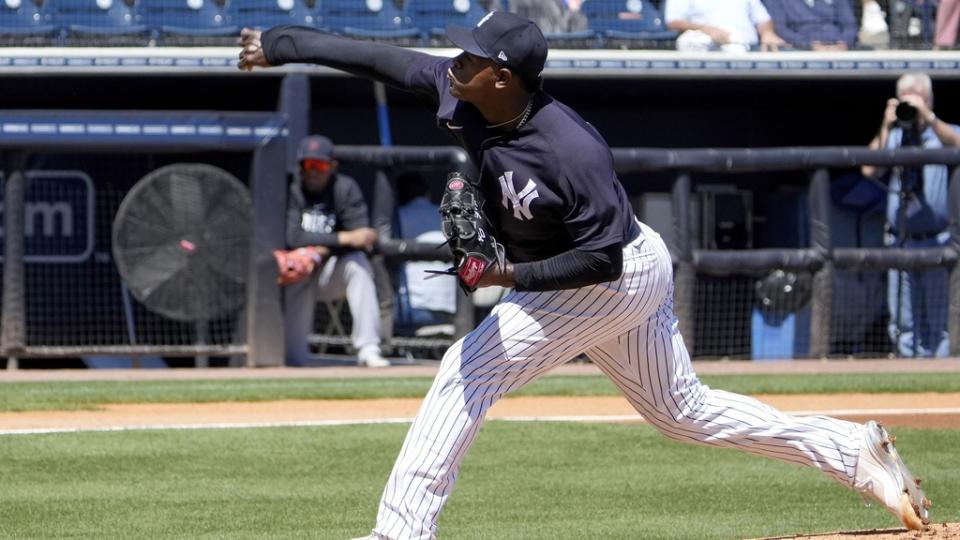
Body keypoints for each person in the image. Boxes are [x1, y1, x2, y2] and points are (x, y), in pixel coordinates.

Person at [239, 12, 930, 538]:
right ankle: (852, 450)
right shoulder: (461, 88)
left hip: (610, 276)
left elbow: (600, 259)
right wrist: (281, 43)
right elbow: (377, 58)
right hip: (609, 271)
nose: (455, 62)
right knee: (682, 413)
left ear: (503, 77)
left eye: (472, 58)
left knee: (466, 370)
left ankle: (400, 531)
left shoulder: (571, 149)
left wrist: (506, 273)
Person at [861, 72, 959, 358]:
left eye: (919, 98)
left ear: (929, 100)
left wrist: (927, 116)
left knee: (940, 321)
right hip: (900, 240)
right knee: (903, 321)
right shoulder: (895, 136)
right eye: (908, 99)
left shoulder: (943, 133)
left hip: (938, 240)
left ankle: (939, 377)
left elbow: (957, 144)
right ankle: (907, 366)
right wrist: (886, 123)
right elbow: (868, 169)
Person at [278, 135, 391, 368]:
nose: (313, 172)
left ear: (332, 166)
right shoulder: (293, 189)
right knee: (298, 266)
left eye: (319, 165)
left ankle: (368, 349)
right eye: (307, 165)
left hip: (331, 271)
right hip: (295, 271)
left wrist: (322, 248)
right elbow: (293, 237)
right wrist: (342, 238)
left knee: (357, 263)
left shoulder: (344, 188)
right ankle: (294, 359)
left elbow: (361, 238)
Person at [392, 171, 457, 333]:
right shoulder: (448, 215)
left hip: (413, 309)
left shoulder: (397, 217)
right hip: (455, 307)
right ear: (427, 194)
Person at [664, 0, 786, 52]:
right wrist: (706, 29)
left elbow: (763, 19)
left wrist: (767, 32)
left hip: (748, 51)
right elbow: (673, 22)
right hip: (708, 55)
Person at [761, 0, 858, 50]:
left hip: (840, 47)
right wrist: (809, 45)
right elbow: (781, 29)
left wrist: (844, 43)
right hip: (799, 48)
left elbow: (850, 24)